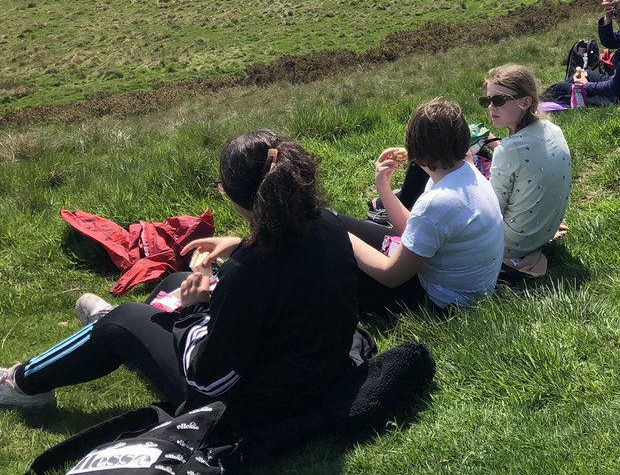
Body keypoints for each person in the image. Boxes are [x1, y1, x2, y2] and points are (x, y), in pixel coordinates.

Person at [1, 132, 360, 428]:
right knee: (176, 281)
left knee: (122, 320)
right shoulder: (325, 222)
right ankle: (124, 340)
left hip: (255, 406)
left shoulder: (247, 275)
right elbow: (286, 267)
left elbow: (208, 382)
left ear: (231, 193)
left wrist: (194, 310)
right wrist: (238, 246)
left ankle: (23, 383)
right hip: (316, 366)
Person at [347, 99, 504, 313]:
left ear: (416, 153)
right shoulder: (465, 172)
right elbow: (412, 228)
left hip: (440, 300)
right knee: (338, 222)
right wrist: (384, 187)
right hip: (462, 288)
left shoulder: (438, 203)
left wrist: (342, 236)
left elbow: (391, 276)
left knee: (336, 246)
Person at [480, 65, 571, 279]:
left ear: (526, 101)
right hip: (544, 231)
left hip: (511, 244)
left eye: (499, 100)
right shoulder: (554, 131)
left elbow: (492, 211)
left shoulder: (508, 151)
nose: (491, 107)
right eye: (487, 101)